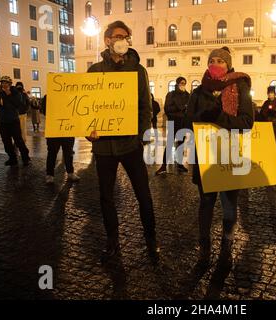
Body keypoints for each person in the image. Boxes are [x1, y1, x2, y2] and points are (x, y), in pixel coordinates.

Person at [86, 20, 159, 262]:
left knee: (144, 195)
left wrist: (140, 137)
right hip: (104, 148)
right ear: (107, 40)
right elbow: (88, 108)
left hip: (130, 145)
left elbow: (145, 108)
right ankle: (112, 240)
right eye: (119, 36)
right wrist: (89, 130)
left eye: (127, 37)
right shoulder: (95, 71)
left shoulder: (138, 71)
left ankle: (151, 240)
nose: (123, 40)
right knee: (106, 196)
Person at [185, 46, 254, 268]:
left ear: (228, 64)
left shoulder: (239, 86)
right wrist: (201, 118)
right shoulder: (198, 91)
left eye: (220, 61)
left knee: (229, 205)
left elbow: (246, 122)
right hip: (205, 155)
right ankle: (204, 248)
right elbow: (188, 122)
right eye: (212, 60)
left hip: (230, 154)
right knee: (205, 204)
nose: (216, 64)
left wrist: (219, 117)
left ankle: (227, 247)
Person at [40, 95, 80, 184]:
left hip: (68, 129)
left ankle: (70, 172)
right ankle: (49, 174)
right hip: (54, 130)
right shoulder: (48, 96)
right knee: (52, 153)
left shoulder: (70, 95)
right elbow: (44, 111)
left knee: (68, 153)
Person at [0, 76, 30, 166]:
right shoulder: (0, 93)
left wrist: (9, 94)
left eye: (6, 82)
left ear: (10, 84)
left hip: (13, 121)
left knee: (18, 141)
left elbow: (18, 104)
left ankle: (25, 157)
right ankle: (12, 158)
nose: (4, 84)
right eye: (2, 83)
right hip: (2, 121)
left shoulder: (15, 92)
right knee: (6, 142)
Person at [155, 76, 190, 175]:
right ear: (177, 83)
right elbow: (167, 109)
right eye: (181, 83)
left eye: (184, 83)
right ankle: (163, 166)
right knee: (169, 144)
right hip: (173, 122)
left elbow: (189, 109)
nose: (183, 85)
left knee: (181, 144)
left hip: (182, 123)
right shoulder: (171, 95)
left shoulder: (187, 95)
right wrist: (181, 108)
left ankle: (179, 164)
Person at [259, 85, 276, 153]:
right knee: (267, 146)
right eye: (269, 93)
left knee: (275, 145)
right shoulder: (266, 103)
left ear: (274, 94)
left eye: (272, 93)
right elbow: (261, 115)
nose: (270, 95)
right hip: (267, 128)